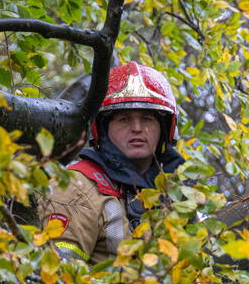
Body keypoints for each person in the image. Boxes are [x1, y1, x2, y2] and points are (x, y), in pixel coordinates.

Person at [40, 62, 184, 263]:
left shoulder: (177, 194)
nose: (136, 128)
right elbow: (60, 278)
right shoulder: (75, 186)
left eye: (147, 119)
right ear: (103, 128)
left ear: (165, 128)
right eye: (124, 119)